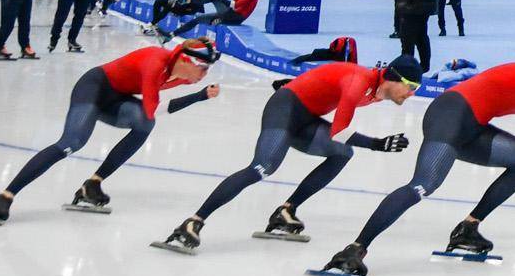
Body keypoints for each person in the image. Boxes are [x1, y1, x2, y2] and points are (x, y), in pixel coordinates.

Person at [319, 49, 515, 276]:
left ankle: (468, 229)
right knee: (423, 185)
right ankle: (354, 249)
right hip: (450, 115)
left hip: (472, 125)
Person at [159, 51, 422, 252]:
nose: (411, 94)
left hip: (306, 116)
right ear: (393, 77)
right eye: (410, 86)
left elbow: (328, 79)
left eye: (416, 89)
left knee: (342, 154)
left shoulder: (376, 90)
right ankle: (193, 221)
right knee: (262, 167)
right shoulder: (360, 82)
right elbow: (339, 131)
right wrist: (377, 144)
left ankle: (286, 210)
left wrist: (300, 82)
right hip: (284, 111)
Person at [0, 37, 221, 222]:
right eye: (203, 68)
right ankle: (5, 195)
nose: (204, 74)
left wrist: (199, 96)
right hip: (93, 88)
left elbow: (151, 112)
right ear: (187, 60)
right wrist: (196, 97)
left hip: (115, 98)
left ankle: (92, 184)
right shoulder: (155, 62)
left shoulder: (177, 75)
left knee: (145, 125)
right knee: (71, 142)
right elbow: (153, 106)